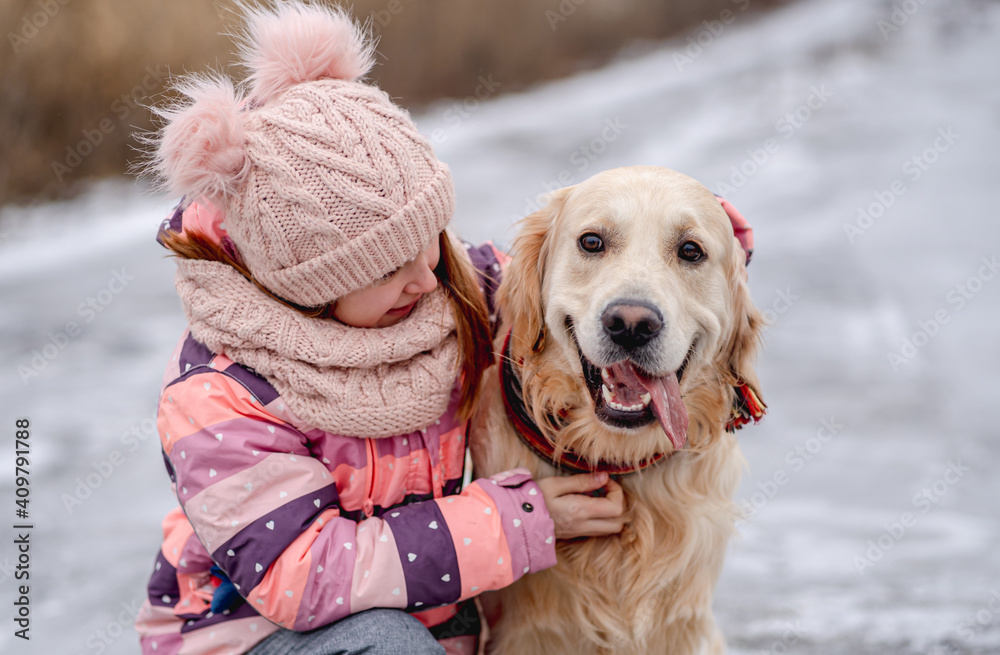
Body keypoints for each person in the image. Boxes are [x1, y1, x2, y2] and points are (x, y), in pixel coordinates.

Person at [133, 3, 625, 654]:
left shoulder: (452, 286)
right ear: (307, 286)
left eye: (429, 239)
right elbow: (303, 575)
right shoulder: (221, 394)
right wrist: (517, 520)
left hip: (424, 619)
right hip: (253, 635)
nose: (425, 277)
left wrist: (684, 250)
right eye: (388, 266)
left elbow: (565, 298)